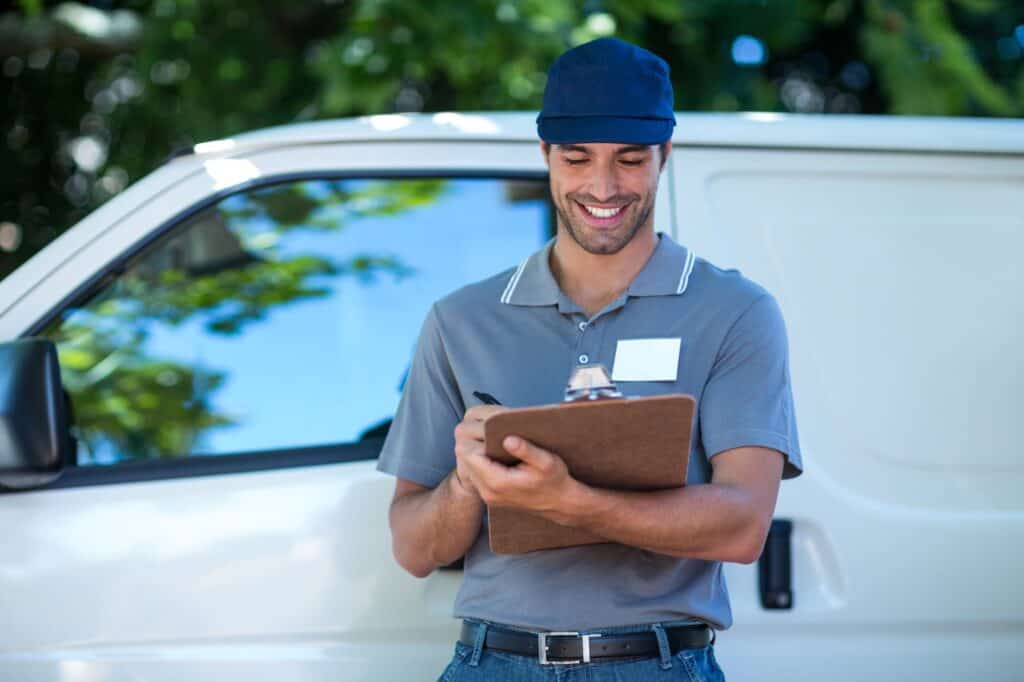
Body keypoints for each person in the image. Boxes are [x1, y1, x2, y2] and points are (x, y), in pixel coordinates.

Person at [377, 37, 803, 681]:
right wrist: (467, 480)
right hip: (492, 663)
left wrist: (570, 500)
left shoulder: (735, 311)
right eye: (577, 158)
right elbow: (412, 548)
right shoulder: (461, 319)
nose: (603, 187)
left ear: (665, 155)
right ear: (545, 154)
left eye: (630, 160)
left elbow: (742, 525)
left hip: (656, 666)